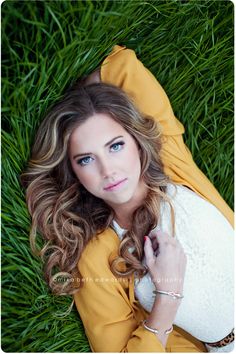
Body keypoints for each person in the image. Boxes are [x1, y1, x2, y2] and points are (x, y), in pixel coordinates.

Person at [22, 45, 234, 352]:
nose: (108, 170)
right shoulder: (96, 258)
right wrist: (167, 296)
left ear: (137, 142)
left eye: (115, 146)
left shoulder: (171, 161)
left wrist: (86, 104)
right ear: (73, 173)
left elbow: (122, 65)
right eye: (85, 159)